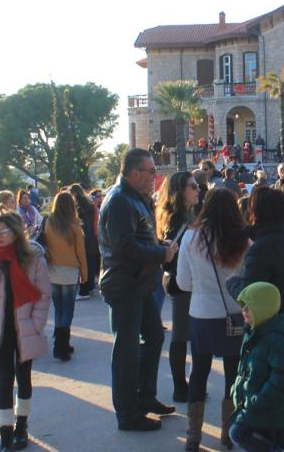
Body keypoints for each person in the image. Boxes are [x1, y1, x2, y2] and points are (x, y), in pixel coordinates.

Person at [99, 148, 178, 431]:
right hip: (125, 285)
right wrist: (161, 253)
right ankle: (127, 414)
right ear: (135, 172)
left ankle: (145, 397)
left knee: (154, 337)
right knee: (126, 351)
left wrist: (159, 246)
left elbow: (140, 238)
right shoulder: (120, 200)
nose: (155, 176)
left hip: (138, 283)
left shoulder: (134, 198)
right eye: (151, 171)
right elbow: (124, 247)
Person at [226, 186, 284, 452]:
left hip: (269, 327)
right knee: (281, 391)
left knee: (266, 392)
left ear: (257, 212)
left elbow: (249, 295)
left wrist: (232, 282)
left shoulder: (260, 250)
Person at [0, 212, 51, 452]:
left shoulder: (33, 259)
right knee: (4, 381)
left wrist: (36, 325)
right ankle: (5, 434)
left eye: (4, 231)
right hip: (1, 330)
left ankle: (21, 426)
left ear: (16, 232)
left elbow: (43, 295)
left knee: (23, 378)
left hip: (26, 329)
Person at [175, 188, 250, 451]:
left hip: (201, 313)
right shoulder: (243, 239)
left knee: (199, 372)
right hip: (234, 313)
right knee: (233, 374)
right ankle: (228, 433)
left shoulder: (190, 237)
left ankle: (193, 435)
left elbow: (183, 283)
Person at [228, 282, 284, 452]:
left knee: (238, 433)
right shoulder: (253, 333)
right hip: (254, 406)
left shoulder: (275, 339)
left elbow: (282, 379)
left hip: (267, 411)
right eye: (243, 306)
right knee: (240, 433)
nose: (243, 311)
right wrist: (236, 389)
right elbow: (244, 368)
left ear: (263, 309)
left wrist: (257, 400)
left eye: (249, 307)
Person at [155, 171, 199, 403]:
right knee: (181, 335)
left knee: (187, 334)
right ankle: (180, 387)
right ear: (180, 192)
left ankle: (187, 384)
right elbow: (173, 252)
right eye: (193, 186)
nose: (198, 190)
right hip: (180, 280)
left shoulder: (183, 215)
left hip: (180, 279)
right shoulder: (178, 219)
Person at [42, 191, 88, 361]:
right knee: (68, 309)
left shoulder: (49, 223)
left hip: (53, 269)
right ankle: (62, 344)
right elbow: (81, 252)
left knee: (59, 308)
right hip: (70, 270)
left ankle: (59, 343)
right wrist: (84, 274)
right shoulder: (74, 226)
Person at [70, 184, 100, 301]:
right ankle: (90, 287)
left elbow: (82, 223)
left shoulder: (79, 206)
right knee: (90, 263)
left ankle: (84, 291)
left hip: (84, 237)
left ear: (74, 193)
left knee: (84, 264)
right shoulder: (88, 203)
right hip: (92, 237)